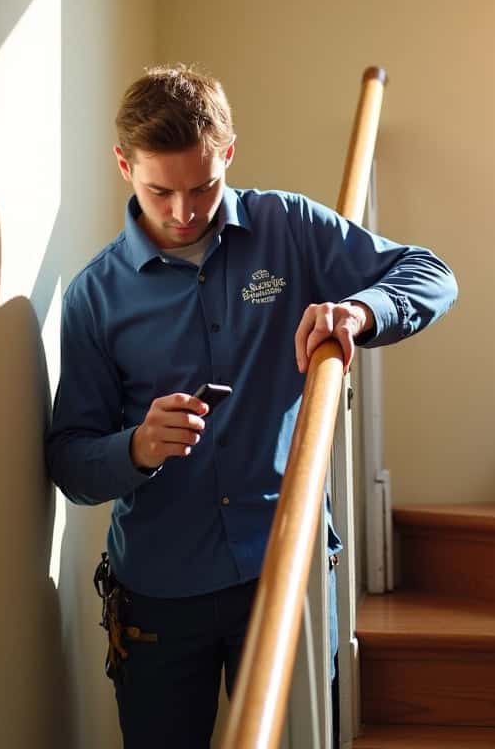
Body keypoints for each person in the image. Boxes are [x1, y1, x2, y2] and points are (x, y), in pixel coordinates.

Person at [45, 64, 457, 747]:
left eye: (203, 186)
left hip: (284, 571)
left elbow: (429, 273)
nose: (184, 212)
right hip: (157, 595)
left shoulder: (286, 225)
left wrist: (359, 310)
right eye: (159, 191)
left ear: (228, 154)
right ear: (124, 165)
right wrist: (137, 447)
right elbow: (69, 461)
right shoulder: (95, 296)